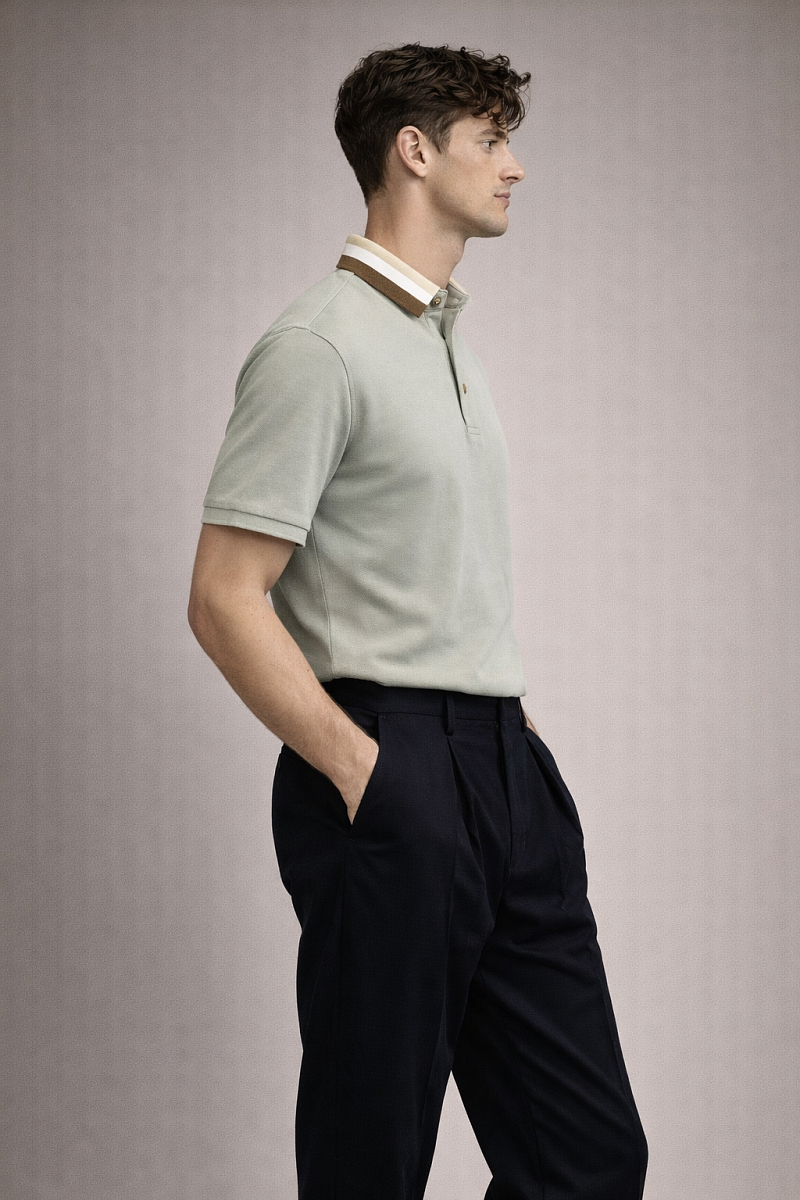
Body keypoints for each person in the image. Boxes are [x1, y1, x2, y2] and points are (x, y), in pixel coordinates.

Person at [188, 42, 648, 1200]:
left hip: (502, 771)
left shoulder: (444, 345)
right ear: (414, 151)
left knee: (587, 1161)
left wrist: (508, 754)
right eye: (490, 139)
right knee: (371, 1160)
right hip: (392, 766)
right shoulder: (318, 345)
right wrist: (364, 771)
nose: (513, 166)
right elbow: (223, 596)